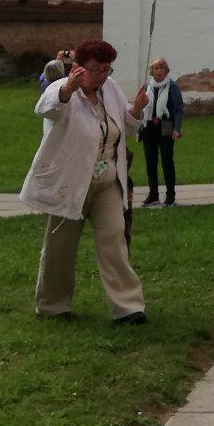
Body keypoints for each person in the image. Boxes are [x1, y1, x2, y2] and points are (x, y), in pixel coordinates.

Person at [21, 38, 148, 323]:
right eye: (95, 70)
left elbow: (124, 125)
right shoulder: (63, 89)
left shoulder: (109, 90)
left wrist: (137, 110)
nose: (102, 76)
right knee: (60, 248)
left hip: (106, 183)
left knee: (114, 239)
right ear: (77, 68)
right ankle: (53, 305)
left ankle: (129, 307)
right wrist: (68, 88)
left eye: (107, 70)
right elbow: (48, 108)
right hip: (71, 184)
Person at [138, 57, 186, 206]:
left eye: (162, 68)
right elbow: (141, 108)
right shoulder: (147, 86)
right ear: (151, 71)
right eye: (156, 68)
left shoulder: (172, 87)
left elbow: (178, 109)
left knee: (166, 161)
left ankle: (170, 195)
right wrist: (139, 128)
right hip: (149, 126)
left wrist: (177, 129)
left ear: (166, 70)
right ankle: (153, 194)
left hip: (166, 125)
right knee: (150, 162)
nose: (159, 71)